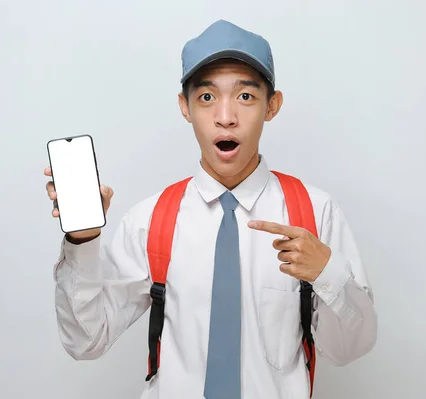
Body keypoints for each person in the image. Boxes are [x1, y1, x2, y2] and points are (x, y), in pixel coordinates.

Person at [44, 19, 377, 399]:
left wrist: (326, 272)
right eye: (206, 98)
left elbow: (351, 349)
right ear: (184, 107)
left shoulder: (315, 212)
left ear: (273, 105)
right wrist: (82, 241)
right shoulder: (151, 220)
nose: (225, 116)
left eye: (246, 96)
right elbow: (86, 341)